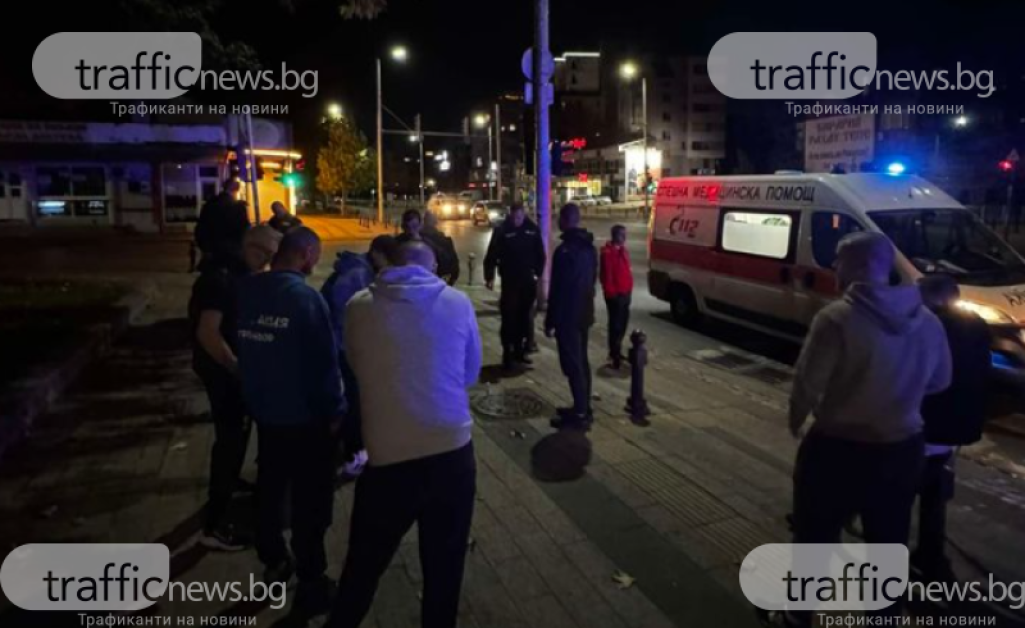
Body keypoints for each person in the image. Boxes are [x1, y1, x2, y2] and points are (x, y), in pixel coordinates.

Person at [778, 232, 951, 627]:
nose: (834, 268)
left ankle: (799, 613)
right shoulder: (926, 321)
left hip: (837, 447)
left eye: (839, 260)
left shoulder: (836, 318)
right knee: (888, 539)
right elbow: (941, 379)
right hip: (902, 447)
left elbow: (807, 384)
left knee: (816, 534)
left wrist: (796, 421)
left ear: (857, 266)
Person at [327, 241, 482, 628]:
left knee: (363, 565)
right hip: (451, 452)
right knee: (445, 568)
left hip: (388, 461)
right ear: (431, 269)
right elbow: (470, 374)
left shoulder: (359, 307)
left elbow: (357, 364)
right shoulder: (458, 303)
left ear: (390, 264)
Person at [235, 227, 345, 618]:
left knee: (270, 486)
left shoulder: (248, 291)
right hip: (306, 420)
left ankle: (273, 555)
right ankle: (312, 579)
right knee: (310, 503)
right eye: (315, 257)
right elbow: (325, 366)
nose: (316, 264)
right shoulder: (306, 300)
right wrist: (335, 413)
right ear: (306, 254)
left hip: (266, 414)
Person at [188, 226, 282, 551]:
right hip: (222, 371)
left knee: (236, 437)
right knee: (230, 439)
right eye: (262, 254)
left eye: (271, 257)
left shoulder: (238, 272)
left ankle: (230, 482)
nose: (265, 262)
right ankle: (214, 524)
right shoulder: (220, 279)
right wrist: (237, 370)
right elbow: (208, 333)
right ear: (247, 245)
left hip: (228, 369)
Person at [915, 274, 991, 582]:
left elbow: (922, 376)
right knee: (935, 492)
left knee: (899, 490)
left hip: (927, 422)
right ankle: (931, 558)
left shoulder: (929, 326)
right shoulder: (976, 324)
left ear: (932, 298)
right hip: (958, 425)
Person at [321, 235, 400, 470]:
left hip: (347, 345)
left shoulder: (362, 270)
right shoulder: (357, 274)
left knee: (355, 399)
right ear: (376, 253)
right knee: (354, 400)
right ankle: (351, 454)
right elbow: (346, 314)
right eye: (388, 260)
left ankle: (347, 448)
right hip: (345, 347)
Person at [544, 203, 598, 429]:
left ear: (566, 220)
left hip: (568, 316)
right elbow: (592, 280)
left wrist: (550, 320)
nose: (557, 222)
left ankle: (580, 413)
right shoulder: (589, 248)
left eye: (559, 218)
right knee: (582, 361)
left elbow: (557, 290)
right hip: (584, 313)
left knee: (573, 364)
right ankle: (583, 406)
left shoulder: (564, 251)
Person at [484, 204, 545, 370]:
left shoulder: (532, 229)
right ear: (510, 215)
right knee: (509, 318)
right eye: (514, 217)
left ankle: (520, 351)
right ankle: (508, 354)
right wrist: (489, 276)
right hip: (510, 282)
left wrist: (537, 273)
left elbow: (540, 254)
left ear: (523, 215)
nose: (517, 220)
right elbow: (492, 254)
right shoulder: (503, 230)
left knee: (525, 318)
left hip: (527, 281)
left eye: (520, 217)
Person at [194, 178, 250, 270]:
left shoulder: (210, 204)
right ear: (236, 190)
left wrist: (205, 248)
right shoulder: (238, 207)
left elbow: (201, 228)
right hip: (232, 251)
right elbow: (244, 229)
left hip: (213, 250)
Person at [599, 224, 633, 369]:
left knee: (623, 323)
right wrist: (612, 293)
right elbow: (606, 276)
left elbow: (626, 270)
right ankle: (614, 353)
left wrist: (629, 288)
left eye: (625, 234)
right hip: (615, 295)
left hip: (625, 293)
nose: (624, 238)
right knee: (615, 325)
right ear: (615, 236)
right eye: (621, 235)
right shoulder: (608, 253)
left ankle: (617, 350)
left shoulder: (623, 251)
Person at [421, 211, 461, 285]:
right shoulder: (444, 241)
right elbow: (454, 269)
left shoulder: (413, 239)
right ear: (436, 222)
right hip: (439, 284)